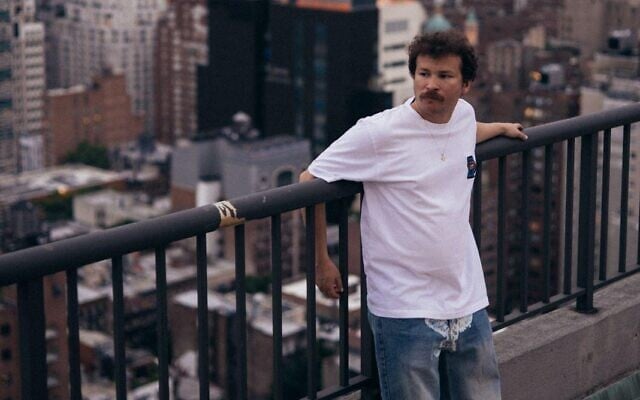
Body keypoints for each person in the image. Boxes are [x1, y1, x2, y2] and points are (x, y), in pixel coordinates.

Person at [299, 30, 527, 399]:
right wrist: (321, 261)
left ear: (465, 84)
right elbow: (310, 180)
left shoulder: (464, 116)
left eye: (444, 76)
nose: (430, 84)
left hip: (466, 299)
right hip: (405, 310)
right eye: (424, 73)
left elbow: (464, 132)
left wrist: (501, 128)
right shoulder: (379, 133)